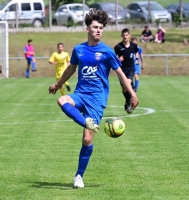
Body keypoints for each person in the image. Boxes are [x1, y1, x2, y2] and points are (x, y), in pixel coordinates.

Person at [48, 9, 138, 189]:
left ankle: (79, 176)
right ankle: (86, 122)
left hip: (97, 99)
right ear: (87, 29)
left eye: (101, 28)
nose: (99, 30)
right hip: (81, 94)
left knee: (87, 140)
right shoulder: (79, 49)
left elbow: (120, 73)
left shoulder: (106, 51)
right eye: (95, 27)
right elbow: (70, 69)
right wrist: (58, 85)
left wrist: (133, 94)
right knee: (62, 100)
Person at [114, 28, 139, 114]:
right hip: (121, 70)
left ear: (129, 35)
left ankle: (129, 102)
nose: (125, 36)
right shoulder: (118, 47)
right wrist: (118, 59)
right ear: (121, 36)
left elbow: (136, 52)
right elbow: (114, 59)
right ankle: (127, 101)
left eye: (127, 35)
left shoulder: (134, 45)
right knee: (124, 88)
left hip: (131, 68)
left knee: (127, 83)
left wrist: (136, 59)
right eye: (123, 35)